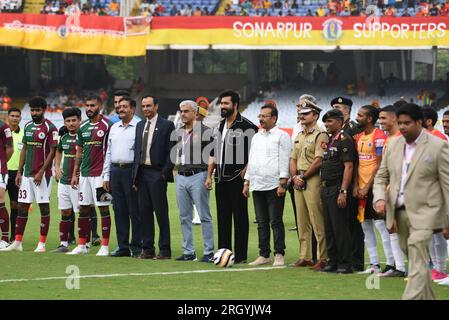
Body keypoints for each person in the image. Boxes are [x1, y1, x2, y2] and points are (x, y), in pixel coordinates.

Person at [374, 103, 449, 299]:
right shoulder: (393, 145)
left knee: (416, 257)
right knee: (417, 261)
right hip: (399, 213)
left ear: (420, 122)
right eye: (400, 123)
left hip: (427, 212)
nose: (403, 127)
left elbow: (447, 184)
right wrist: (380, 197)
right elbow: (381, 176)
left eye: (407, 123)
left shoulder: (437, 146)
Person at [205, 90, 258, 264]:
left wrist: (247, 170)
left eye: (226, 103)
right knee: (223, 218)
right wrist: (209, 175)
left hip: (237, 179)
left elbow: (255, 152)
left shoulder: (248, 126)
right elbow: (213, 153)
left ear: (235, 105)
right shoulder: (219, 126)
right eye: (222, 104)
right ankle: (223, 254)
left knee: (240, 218)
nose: (223, 107)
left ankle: (241, 256)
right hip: (220, 178)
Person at [1, 96, 57, 253]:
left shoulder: (50, 128)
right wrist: (19, 171)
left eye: (37, 110)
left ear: (43, 110)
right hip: (26, 175)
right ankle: (17, 242)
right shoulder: (28, 126)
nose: (34, 113)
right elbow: (24, 149)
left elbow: (52, 152)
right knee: (22, 207)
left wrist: (41, 172)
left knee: (44, 207)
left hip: (42, 176)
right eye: (32, 110)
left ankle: (42, 244)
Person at [243, 104, 291, 267]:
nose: (261, 119)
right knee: (261, 222)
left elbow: (285, 159)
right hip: (257, 184)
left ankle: (279, 253)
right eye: (260, 116)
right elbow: (252, 159)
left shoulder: (282, 136)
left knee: (275, 221)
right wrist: (247, 181)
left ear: (274, 118)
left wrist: (283, 182)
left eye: (264, 116)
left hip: (274, 184)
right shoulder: (256, 136)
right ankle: (264, 254)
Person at [68, 96, 113, 256]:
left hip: (100, 174)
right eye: (87, 105)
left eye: (92, 105)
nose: (89, 108)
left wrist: (108, 174)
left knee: (103, 208)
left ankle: (105, 246)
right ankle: (82, 245)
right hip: (85, 175)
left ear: (100, 106)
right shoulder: (82, 127)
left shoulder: (108, 125)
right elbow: (79, 152)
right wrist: (75, 174)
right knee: (83, 209)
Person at [132, 95, 175, 259]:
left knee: (161, 213)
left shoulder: (167, 125)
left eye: (149, 106)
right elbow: (137, 151)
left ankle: (164, 250)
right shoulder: (140, 125)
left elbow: (172, 150)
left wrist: (164, 173)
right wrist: (135, 175)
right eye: (143, 106)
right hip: (142, 174)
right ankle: (147, 249)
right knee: (144, 213)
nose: (146, 109)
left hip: (157, 173)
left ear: (156, 106)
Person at [354, 105, 395, 274]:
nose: (357, 118)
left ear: (370, 118)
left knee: (381, 226)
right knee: (365, 226)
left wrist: (368, 186)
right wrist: (357, 185)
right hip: (361, 187)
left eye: (360, 115)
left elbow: (379, 164)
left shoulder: (379, 137)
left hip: (373, 188)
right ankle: (374, 264)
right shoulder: (359, 137)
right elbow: (357, 163)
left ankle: (391, 264)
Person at [289, 99, 328, 270]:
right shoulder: (299, 134)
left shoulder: (321, 134)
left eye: (305, 114)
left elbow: (319, 160)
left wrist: (302, 177)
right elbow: (293, 159)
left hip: (313, 179)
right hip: (299, 178)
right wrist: (295, 176)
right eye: (300, 114)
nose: (301, 116)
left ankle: (323, 257)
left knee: (317, 220)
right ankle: (305, 256)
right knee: (302, 220)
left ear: (315, 115)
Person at [175, 100, 214, 262]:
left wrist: (209, 176)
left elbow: (212, 155)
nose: (182, 114)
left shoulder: (206, 131)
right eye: (181, 111)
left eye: (186, 111)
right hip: (182, 176)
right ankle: (188, 252)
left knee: (204, 215)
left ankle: (209, 251)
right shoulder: (179, 131)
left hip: (199, 174)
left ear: (195, 112)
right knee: (184, 216)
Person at [102, 97, 142, 258]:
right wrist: (106, 175)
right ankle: (123, 246)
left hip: (131, 171)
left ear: (132, 109)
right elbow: (108, 152)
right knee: (119, 211)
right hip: (115, 172)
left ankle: (137, 246)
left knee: (135, 211)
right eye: (119, 107)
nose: (121, 109)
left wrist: (137, 175)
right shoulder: (114, 127)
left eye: (125, 107)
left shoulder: (138, 127)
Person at [331, 96, 364, 272]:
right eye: (335, 107)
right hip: (338, 180)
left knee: (354, 223)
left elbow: (356, 160)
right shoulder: (333, 130)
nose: (337, 109)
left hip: (352, 181)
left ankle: (356, 260)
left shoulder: (355, 129)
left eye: (340, 107)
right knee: (341, 223)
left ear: (348, 111)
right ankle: (344, 257)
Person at [319, 109, 355, 274]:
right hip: (326, 188)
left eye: (330, 121)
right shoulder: (331, 140)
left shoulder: (344, 139)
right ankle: (332, 261)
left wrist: (343, 191)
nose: (327, 124)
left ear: (340, 122)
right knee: (329, 227)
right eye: (326, 121)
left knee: (339, 227)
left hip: (336, 187)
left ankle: (345, 263)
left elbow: (348, 167)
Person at [377, 105, 407, 277]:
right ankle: (399, 267)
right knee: (392, 227)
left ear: (394, 118)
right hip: (389, 189)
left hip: (401, 190)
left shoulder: (402, 139)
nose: (380, 122)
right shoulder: (389, 139)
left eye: (383, 118)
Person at [422, 107, 448, 280]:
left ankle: (441, 268)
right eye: (444, 122)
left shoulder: (438, 138)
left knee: (440, 233)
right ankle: (438, 270)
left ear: (428, 121)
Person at [52, 108, 81, 253]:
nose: (71, 123)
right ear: (64, 122)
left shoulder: (83, 136)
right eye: (68, 121)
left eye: (74, 120)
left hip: (78, 182)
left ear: (79, 120)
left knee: (82, 212)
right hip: (64, 181)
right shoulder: (63, 137)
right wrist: (57, 167)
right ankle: (63, 244)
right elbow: (58, 151)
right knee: (65, 212)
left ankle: (84, 244)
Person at [5, 107, 23, 243]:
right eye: (12, 116)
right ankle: (4, 236)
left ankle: (13, 237)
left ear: (20, 118)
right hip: (2, 171)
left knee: (14, 205)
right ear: (8, 117)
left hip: (16, 173)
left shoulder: (24, 134)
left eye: (17, 116)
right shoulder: (2, 132)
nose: (15, 118)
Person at [0, 115, 13, 249]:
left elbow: (10, 149)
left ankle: (4, 239)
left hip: (0, 170)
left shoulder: (3, 126)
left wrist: (2, 163)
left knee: (0, 201)